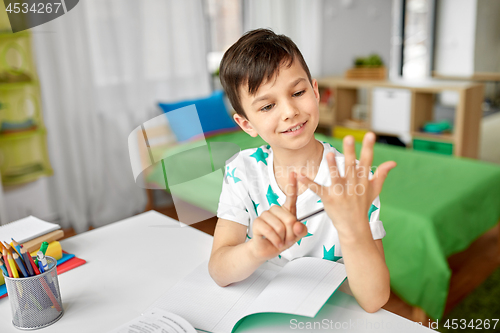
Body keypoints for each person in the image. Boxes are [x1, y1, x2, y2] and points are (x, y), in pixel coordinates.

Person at [208, 29, 396, 313]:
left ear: (315, 91)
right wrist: (255, 250)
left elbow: (374, 300)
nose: (289, 111)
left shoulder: (354, 180)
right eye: (268, 105)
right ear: (246, 124)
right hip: (258, 308)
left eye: (298, 92)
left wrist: (353, 230)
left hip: (332, 315)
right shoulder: (241, 171)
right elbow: (219, 270)